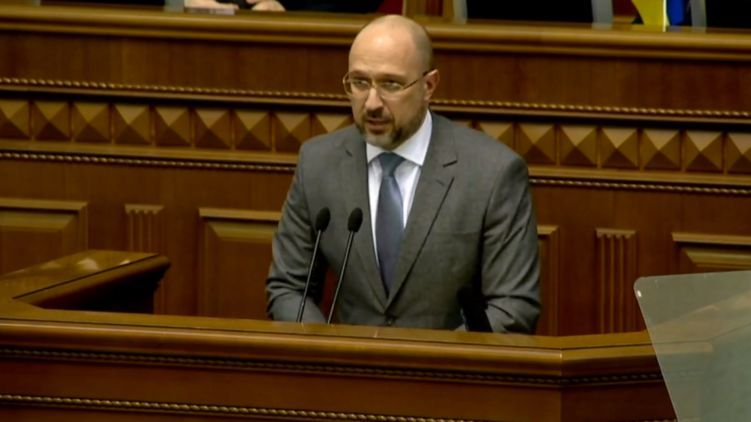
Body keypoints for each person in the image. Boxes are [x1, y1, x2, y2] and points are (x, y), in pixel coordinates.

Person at [266, 15, 540, 333]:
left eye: (391, 85)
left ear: (428, 86)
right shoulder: (318, 163)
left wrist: (432, 358)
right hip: (347, 363)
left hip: (449, 363)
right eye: (359, 83)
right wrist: (331, 350)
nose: (372, 103)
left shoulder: (492, 172)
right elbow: (288, 288)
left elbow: (513, 306)